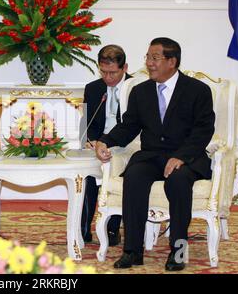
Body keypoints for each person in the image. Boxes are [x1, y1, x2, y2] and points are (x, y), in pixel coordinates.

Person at [95, 37, 215, 271]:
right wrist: (105, 141)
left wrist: (181, 157)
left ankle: (178, 251)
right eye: (148, 57)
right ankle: (132, 251)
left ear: (172, 62)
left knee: (178, 181)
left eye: (155, 58)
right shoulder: (141, 91)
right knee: (134, 176)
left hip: (186, 158)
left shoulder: (197, 90)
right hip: (151, 157)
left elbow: (204, 129)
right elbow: (129, 125)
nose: (149, 63)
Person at [80, 45, 131, 245]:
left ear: (124, 67)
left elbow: (136, 126)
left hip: (125, 143)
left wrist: (109, 143)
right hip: (98, 142)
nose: (108, 77)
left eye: (113, 72)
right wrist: (90, 141)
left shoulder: (137, 87)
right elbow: (87, 123)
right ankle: (83, 228)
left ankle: (112, 228)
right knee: (86, 172)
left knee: (117, 169)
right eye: (103, 72)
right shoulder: (93, 88)